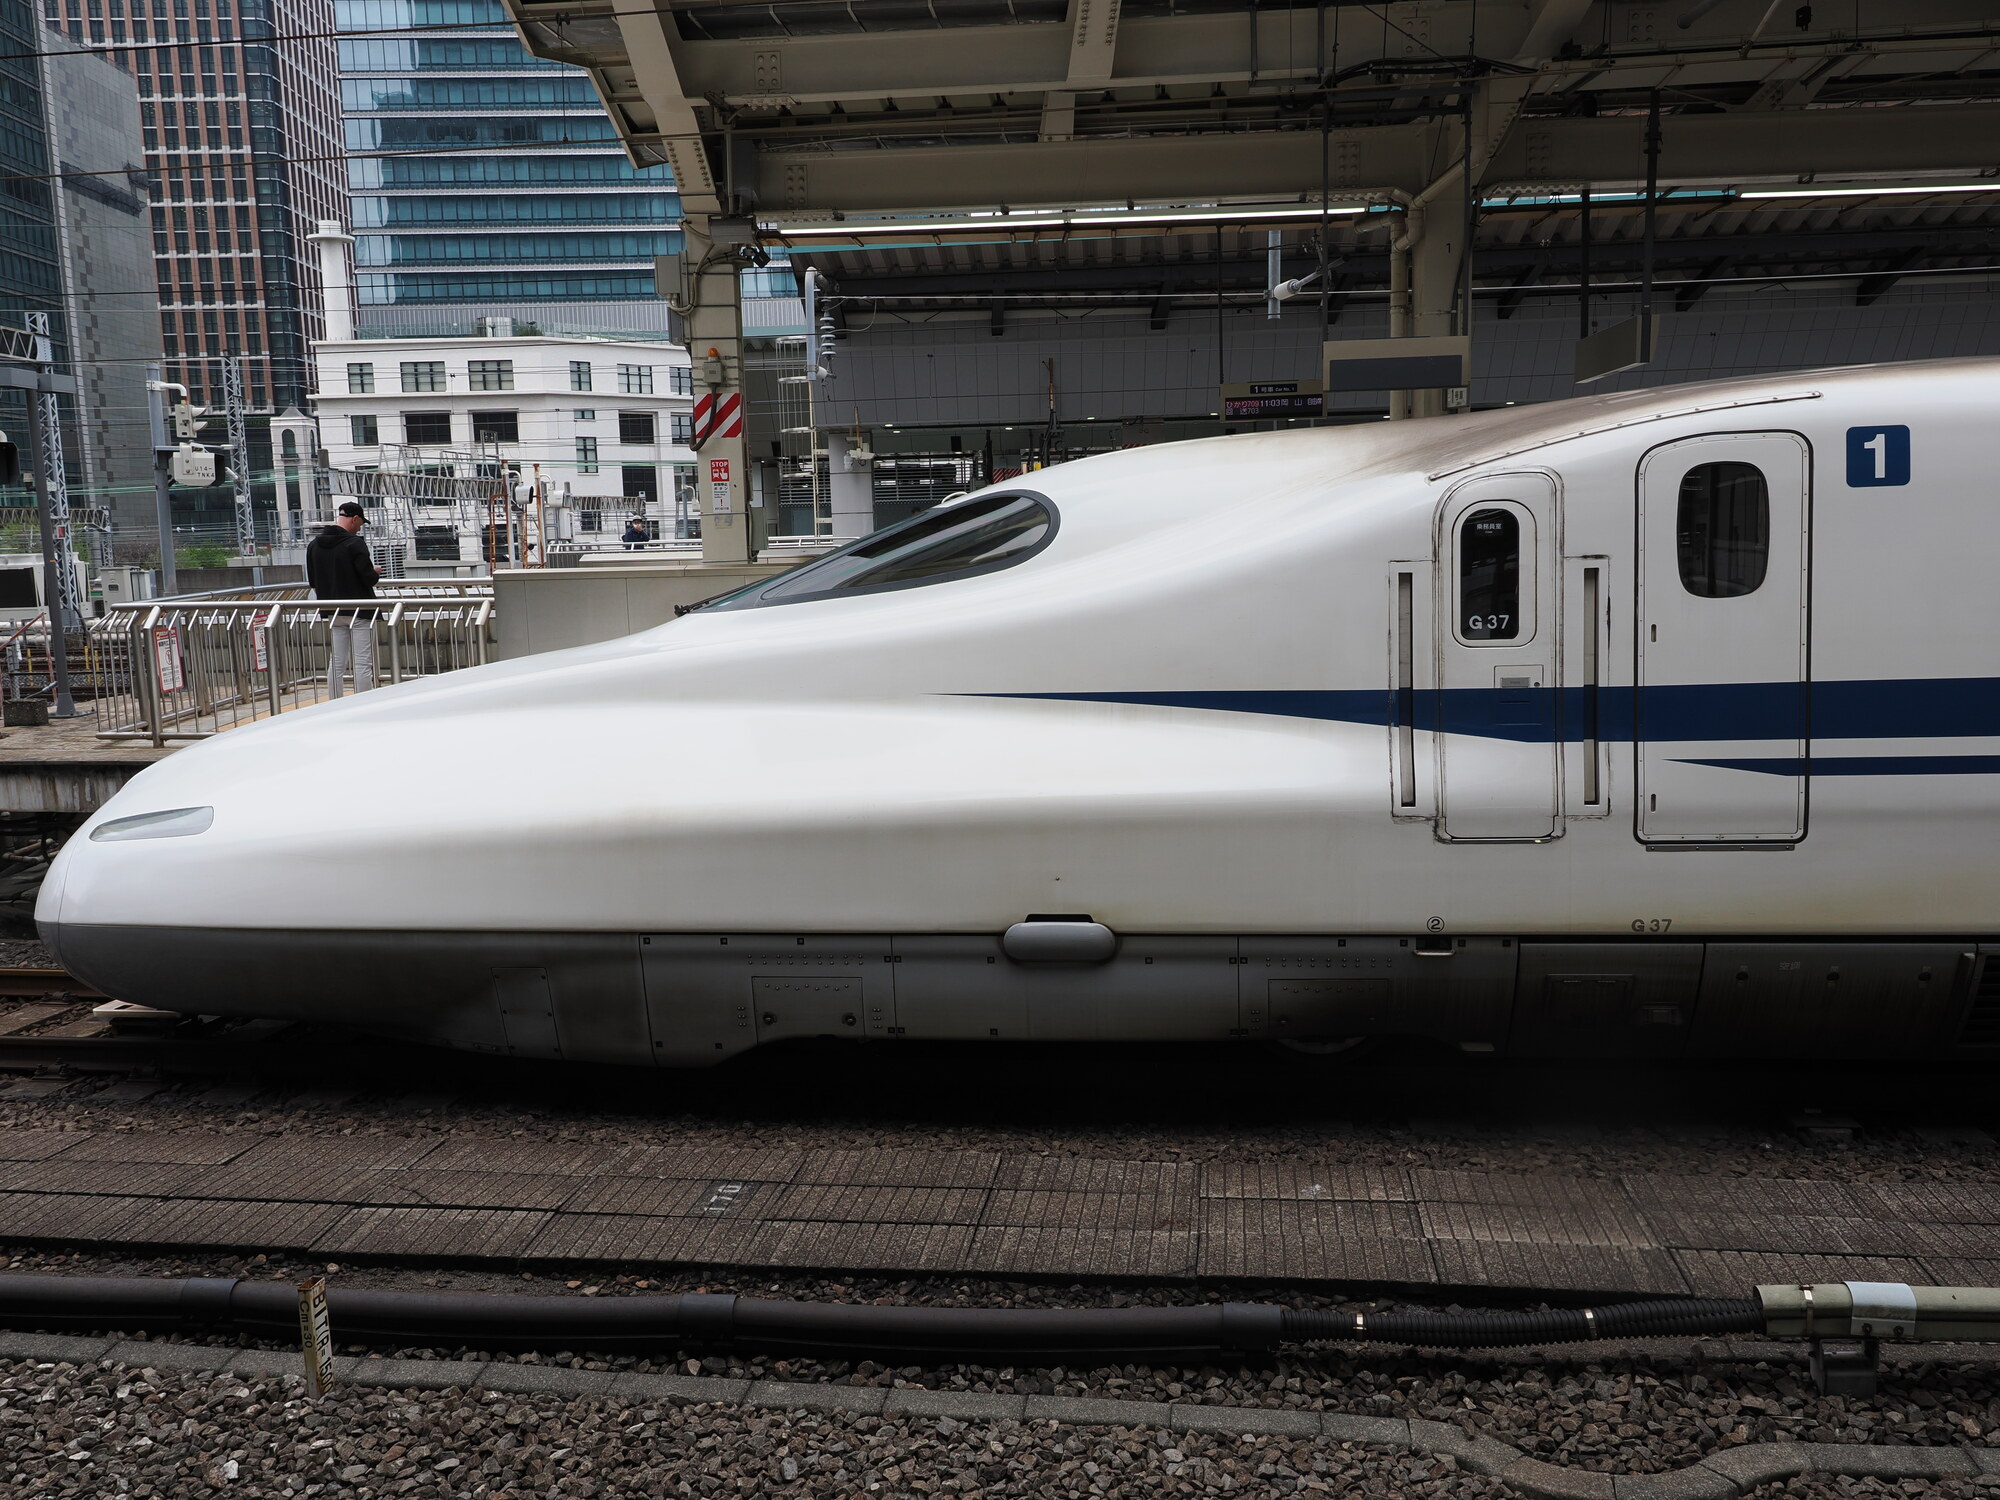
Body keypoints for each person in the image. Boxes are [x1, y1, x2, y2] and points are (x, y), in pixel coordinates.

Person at [305, 501, 380, 698]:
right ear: (355, 519)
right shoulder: (354, 543)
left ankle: (334, 703)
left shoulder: (314, 545)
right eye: (360, 524)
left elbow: (313, 581)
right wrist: (374, 572)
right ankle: (364, 703)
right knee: (363, 663)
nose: (359, 528)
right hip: (359, 609)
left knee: (337, 662)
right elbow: (369, 579)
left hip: (332, 610)